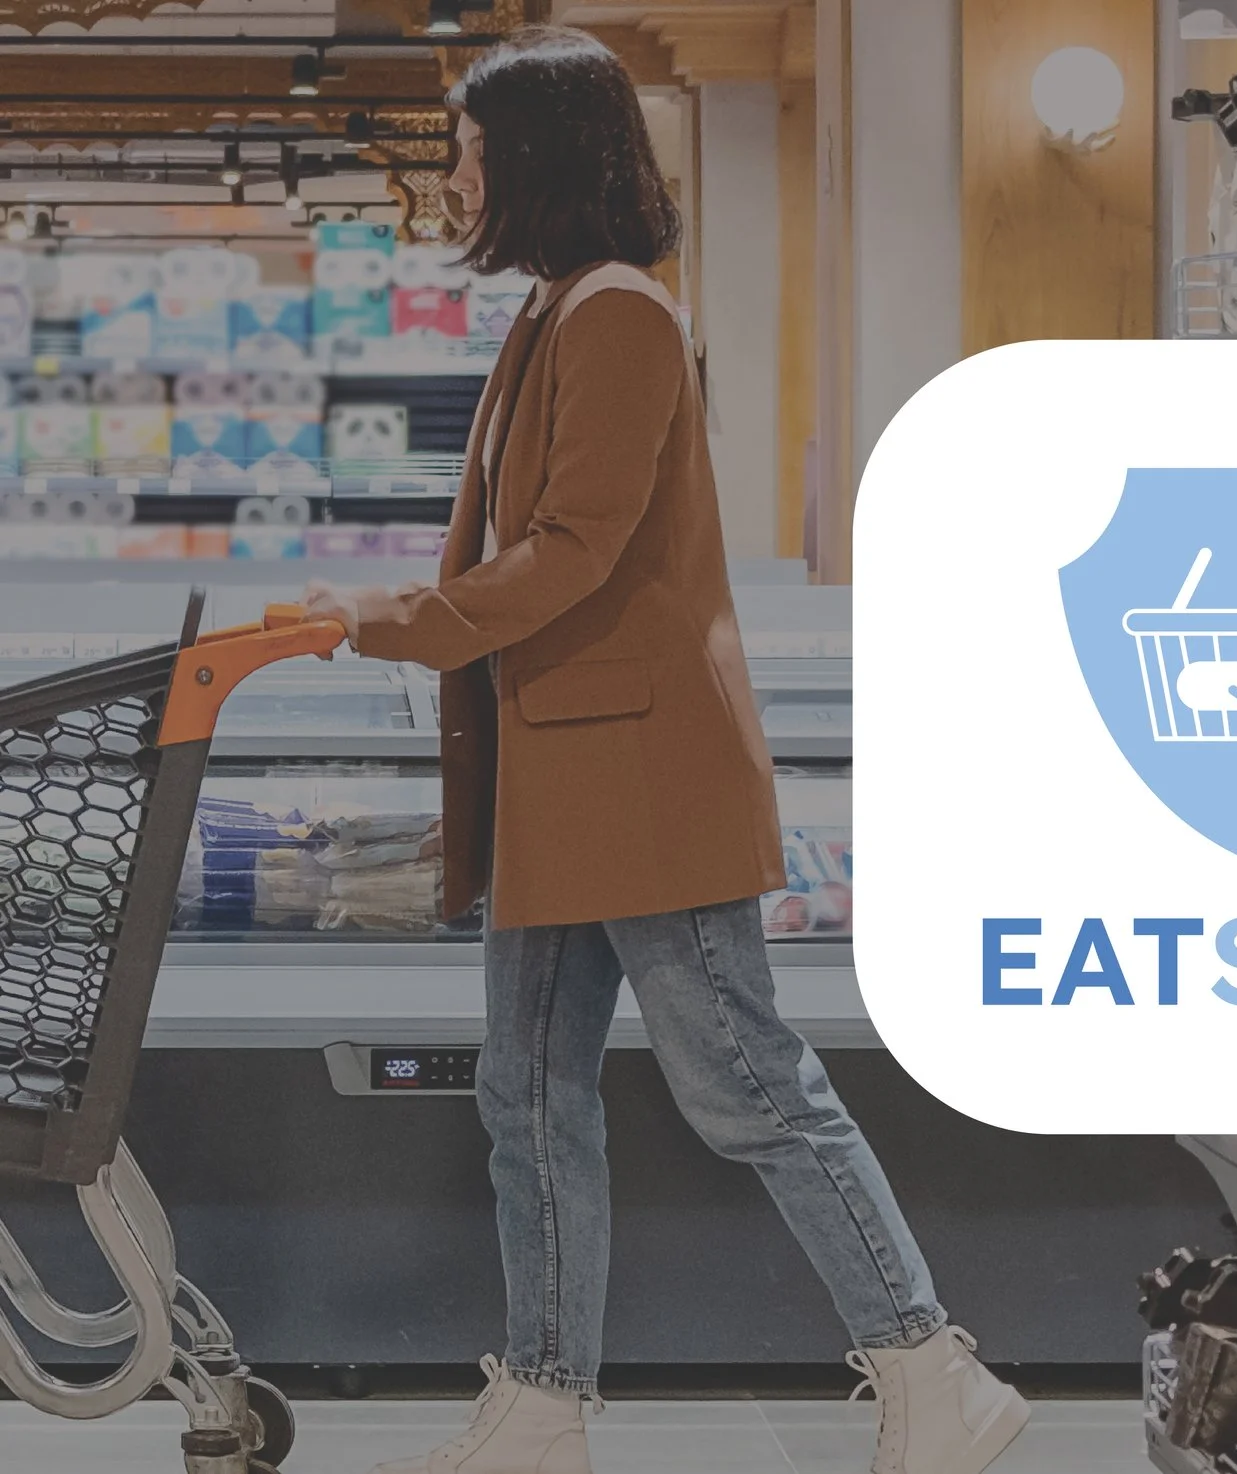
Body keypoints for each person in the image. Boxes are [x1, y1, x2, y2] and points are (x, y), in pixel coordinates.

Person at [305, 28, 1028, 1474]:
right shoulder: (554, 311)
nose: (455, 173)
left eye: (471, 146)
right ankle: (548, 1397)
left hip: (633, 775)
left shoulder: (617, 315)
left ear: (541, 159)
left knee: (744, 1080)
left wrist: (390, 620)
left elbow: (573, 549)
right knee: (523, 1090)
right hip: (563, 776)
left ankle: (930, 1365)